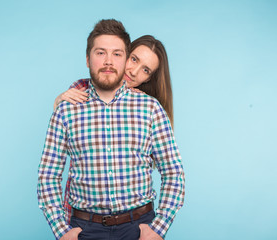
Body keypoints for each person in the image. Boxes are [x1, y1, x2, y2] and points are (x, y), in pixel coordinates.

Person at [38, 19, 185, 240]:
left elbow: (174, 172)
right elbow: (48, 176)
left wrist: (158, 229)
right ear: (88, 59)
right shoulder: (70, 105)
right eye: (133, 59)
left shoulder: (151, 108)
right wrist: (62, 231)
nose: (133, 71)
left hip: (139, 227)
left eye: (145, 69)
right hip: (85, 227)